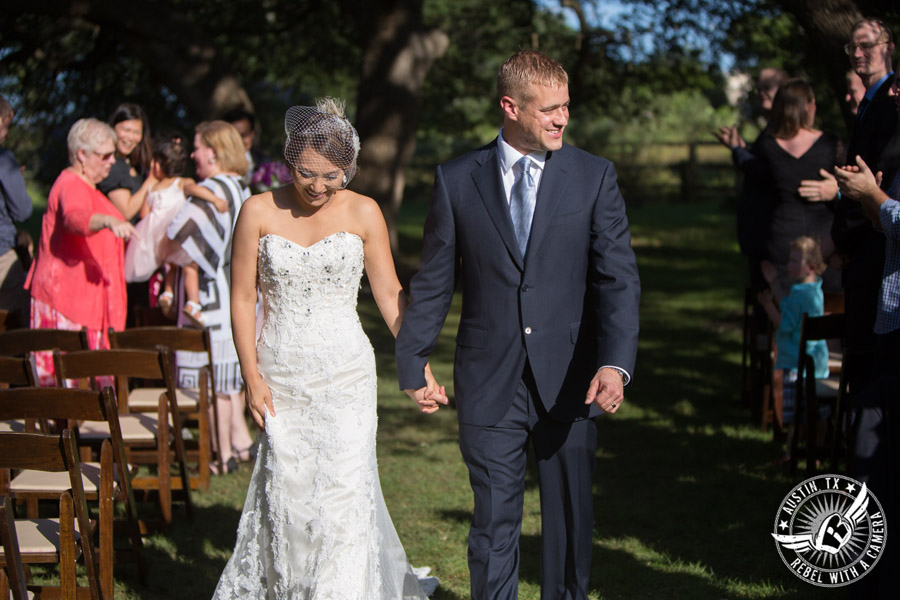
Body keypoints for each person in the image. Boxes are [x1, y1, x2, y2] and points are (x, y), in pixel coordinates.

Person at [396, 50, 641, 599]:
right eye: (549, 109)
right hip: (488, 379)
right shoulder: (457, 179)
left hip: (574, 375)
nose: (562, 119)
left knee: (569, 525)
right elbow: (435, 280)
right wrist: (413, 360)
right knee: (492, 525)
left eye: (566, 107)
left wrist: (614, 364)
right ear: (510, 107)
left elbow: (618, 279)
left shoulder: (594, 176)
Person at [213, 99, 442, 598]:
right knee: (290, 498)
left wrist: (415, 363)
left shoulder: (364, 211)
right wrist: (250, 376)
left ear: (350, 170)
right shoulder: (257, 210)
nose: (317, 186)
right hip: (280, 374)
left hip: (346, 375)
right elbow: (241, 297)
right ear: (289, 159)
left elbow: (387, 293)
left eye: (331, 175)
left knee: (342, 496)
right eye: (306, 173)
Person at [159, 120, 256, 473]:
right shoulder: (241, 187)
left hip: (210, 298)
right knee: (227, 382)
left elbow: (179, 238)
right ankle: (239, 445)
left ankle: (221, 454)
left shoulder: (213, 188)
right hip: (236, 293)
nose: (193, 155)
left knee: (212, 383)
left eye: (197, 147)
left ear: (213, 152)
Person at [25, 118, 136, 384]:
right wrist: (108, 221)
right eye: (105, 155)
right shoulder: (71, 184)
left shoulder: (90, 188)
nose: (112, 161)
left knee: (81, 394)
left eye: (114, 155)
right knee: (64, 393)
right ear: (81, 154)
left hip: (84, 304)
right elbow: (74, 218)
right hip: (65, 303)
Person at [834, 17, 900, 396]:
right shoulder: (871, 100)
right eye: (851, 47)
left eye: (867, 45)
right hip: (866, 239)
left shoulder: (889, 102)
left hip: (879, 247)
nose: (858, 53)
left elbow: (881, 176)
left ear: (889, 47)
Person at [748, 79, 841, 293]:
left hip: (784, 244)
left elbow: (757, 194)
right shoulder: (829, 144)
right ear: (807, 106)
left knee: (787, 314)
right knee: (825, 317)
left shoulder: (766, 146)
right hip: (824, 245)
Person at [126, 135, 228, 326]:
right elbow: (196, 191)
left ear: (157, 165)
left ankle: (167, 293)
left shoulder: (153, 188)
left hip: (157, 239)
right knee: (190, 267)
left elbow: (144, 213)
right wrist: (216, 200)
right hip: (175, 234)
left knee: (170, 266)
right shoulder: (181, 182)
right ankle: (193, 304)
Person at [756, 236, 830, 463]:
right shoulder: (813, 291)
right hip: (816, 364)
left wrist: (768, 305)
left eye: (794, 260)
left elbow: (783, 323)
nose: (788, 264)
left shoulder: (800, 296)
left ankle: (791, 453)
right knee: (817, 413)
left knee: (796, 415)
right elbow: (788, 308)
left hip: (796, 364)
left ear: (811, 267)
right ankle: (816, 453)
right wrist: (775, 283)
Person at [715, 67, 789, 291]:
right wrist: (743, 148)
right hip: (761, 235)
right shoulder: (771, 127)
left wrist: (738, 150)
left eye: (768, 87)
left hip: (771, 234)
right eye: (759, 87)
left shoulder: (782, 129)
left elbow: (762, 171)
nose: (761, 93)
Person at [0, 95, 33, 327]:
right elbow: (22, 211)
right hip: (2, 255)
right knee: (12, 330)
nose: (7, 134)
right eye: (7, 127)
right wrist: (16, 183)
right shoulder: (3, 159)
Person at [222, 107, 266, 184]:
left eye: (243, 135)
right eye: (235, 137)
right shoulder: (219, 165)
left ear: (252, 134)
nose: (239, 141)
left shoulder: (265, 162)